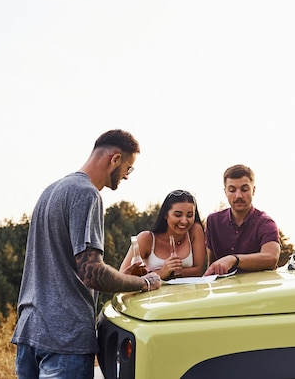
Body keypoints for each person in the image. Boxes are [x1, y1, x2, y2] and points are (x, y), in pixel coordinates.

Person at [11, 129, 162, 379]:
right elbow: (92, 273)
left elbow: (63, 264)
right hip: (65, 337)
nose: (127, 176)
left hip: (31, 330)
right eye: (129, 168)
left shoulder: (51, 190)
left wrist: (122, 275)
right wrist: (144, 283)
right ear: (115, 159)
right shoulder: (86, 193)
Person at [204, 164, 280, 275]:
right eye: (232, 190)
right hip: (222, 289)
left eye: (244, 189)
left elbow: (271, 258)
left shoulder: (266, 223)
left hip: (257, 289)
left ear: (253, 190)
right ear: (225, 191)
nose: (238, 195)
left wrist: (234, 259)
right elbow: (212, 264)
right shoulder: (213, 221)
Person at [119, 189, 207, 279]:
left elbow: (198, 270)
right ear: (165, 214)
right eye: (177, 215)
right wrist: (162, 273)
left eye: (189, 215)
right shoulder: (146, 239)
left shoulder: (195, 231)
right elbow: (123, 277)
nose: (184, 221)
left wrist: (172, 273)